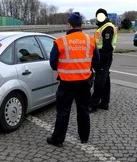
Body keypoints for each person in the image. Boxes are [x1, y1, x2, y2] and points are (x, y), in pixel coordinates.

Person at [47, 12, 100, 147]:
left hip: (66, 83)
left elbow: (53, 64)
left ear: (69, 25)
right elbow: (96, 61)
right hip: (84, 82)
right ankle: (84, 138)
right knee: (83, 110)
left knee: (63, 112)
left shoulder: (61, 41)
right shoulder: (90, 40)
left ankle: (58, 140)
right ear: (81, 25)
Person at [89, 8, 117, 113]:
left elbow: (107, 46)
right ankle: (105, 103)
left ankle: (93, 104)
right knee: (105, 81)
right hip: (104, 57)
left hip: (104, 57)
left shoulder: (107, 28)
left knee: (99, 82)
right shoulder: (102, 27)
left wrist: (98, 59)